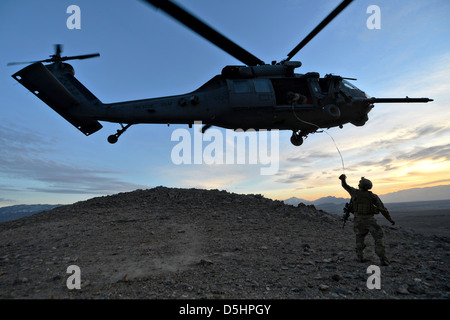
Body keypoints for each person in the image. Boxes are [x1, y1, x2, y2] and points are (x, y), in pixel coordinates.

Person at [339, 174, 395, 266]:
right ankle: (382, 259)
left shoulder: (354, 193)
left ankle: (360, 257)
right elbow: (382, 209)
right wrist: (390, 219)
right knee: (378, 237)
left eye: (360, 183)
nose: (358, 184)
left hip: (358, 220)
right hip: (370, 220)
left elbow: (345, 186)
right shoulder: (372, 196)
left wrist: (343, 179)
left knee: (359, 238)